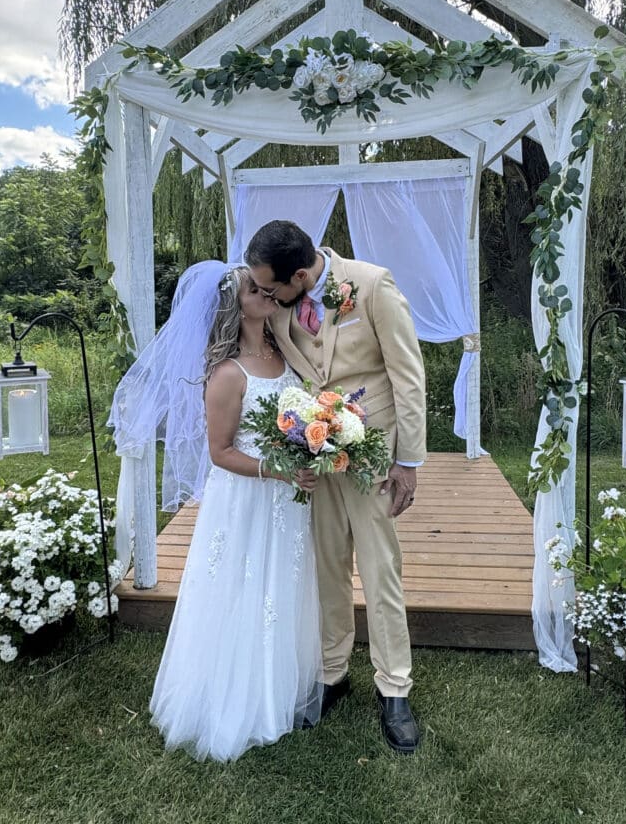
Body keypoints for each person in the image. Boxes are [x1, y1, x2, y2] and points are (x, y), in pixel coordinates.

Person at [109, 262, 322, 761]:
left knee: (278, 586)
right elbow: (221, 452)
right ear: (236, 304)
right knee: (241, 590)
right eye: (256, 289)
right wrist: (283, 471)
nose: (268, 293)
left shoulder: (281, 349)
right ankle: (233, 699)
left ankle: (277, 688)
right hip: (246, 498)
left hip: (284, 500)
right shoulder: (228, 373)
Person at [246, 221, 426, 754]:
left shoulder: (371, 286)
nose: (265, 296)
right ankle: (333, 672)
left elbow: (408, 374)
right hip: (314, 455)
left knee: (379, 570)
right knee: (326, 568)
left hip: (373, 455)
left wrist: (409, 461)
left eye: (271, 287)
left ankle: (394, 687)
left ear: (300, 275)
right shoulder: (279, 306)